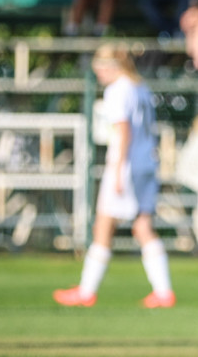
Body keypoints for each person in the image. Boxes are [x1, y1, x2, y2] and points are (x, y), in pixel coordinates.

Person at [54, 44, 174, 309]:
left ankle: (86, 291)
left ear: (111, 67)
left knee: (103, 226)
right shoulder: (140, 88)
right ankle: (164, 292)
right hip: (146, 162)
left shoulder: (117, 90)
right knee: (143, 226)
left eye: (100, 69)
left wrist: (118, 172)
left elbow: (123, 131)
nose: (99, 74)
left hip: (126, 164)